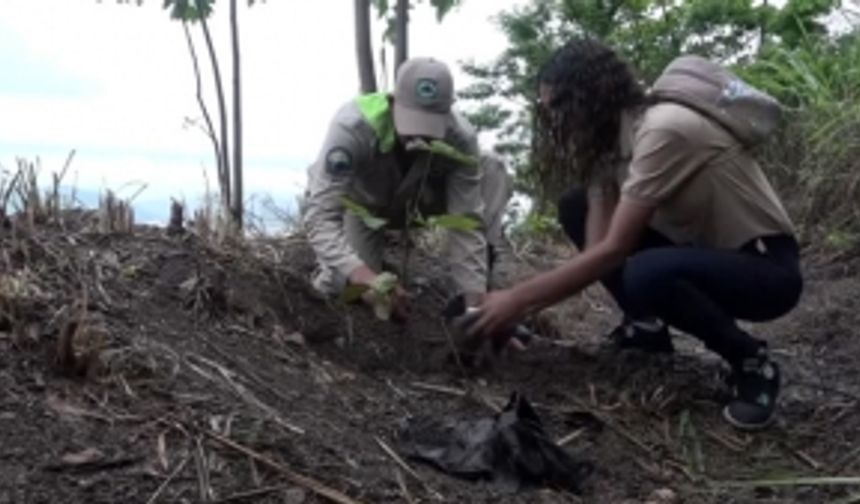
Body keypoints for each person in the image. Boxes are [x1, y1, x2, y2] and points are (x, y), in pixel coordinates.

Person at [470, 38, 803, 430]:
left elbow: (613, 251)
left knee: (645, 272)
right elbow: (593, 252)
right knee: (575, 205)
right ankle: (646, 328)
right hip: (701, 255)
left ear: (590, 96)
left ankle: (750, 362)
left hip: (766, 269)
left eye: (559, 107)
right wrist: (518, 306)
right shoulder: (607, 149)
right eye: (547, 111)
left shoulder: (664, 130)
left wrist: (516, 301)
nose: (555, 121)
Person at [302, 57, 513, 318]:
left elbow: (465, 223)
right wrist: (368, 279)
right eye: (412, 123)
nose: (419, 137)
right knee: (346, 285)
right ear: (392, 101)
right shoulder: (353, 127)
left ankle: (486, 286)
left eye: (429, 128)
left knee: (492, 168)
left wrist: (473, 307)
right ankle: (370, 269)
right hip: (364, 209)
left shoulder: (461, 137)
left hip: (421, 203)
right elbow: (320, 216)